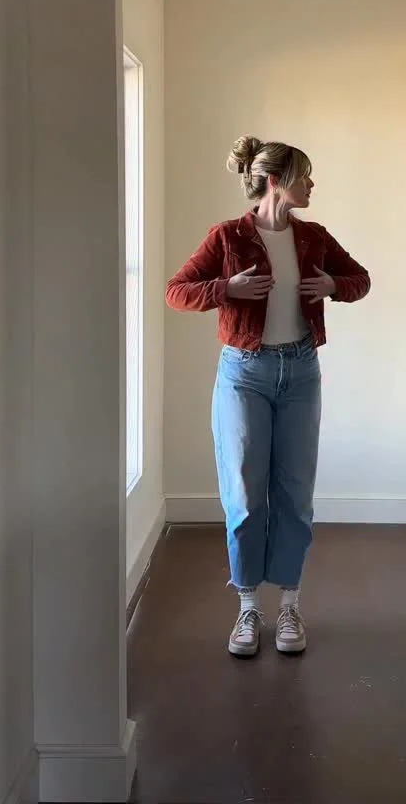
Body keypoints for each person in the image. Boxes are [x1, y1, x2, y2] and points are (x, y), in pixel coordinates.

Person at [166, 137, 370, 657]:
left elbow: (360, 280)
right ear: (277, 181)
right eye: (305, 175)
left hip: (301, 372)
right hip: (244, 374)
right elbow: (176, 291)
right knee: (244, 493)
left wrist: (332, 285)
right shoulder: (227, 236)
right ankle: (247, 607)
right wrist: (225, 289)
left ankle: (289, 607)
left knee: (295, 493)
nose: (312, 184)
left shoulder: (314, 237)